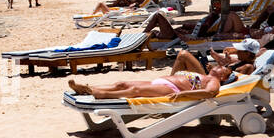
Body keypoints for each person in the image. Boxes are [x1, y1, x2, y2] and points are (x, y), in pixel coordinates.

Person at [68, 52, 234, 100]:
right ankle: (88, 88)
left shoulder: (213, 81)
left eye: (224, 69)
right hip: (161, 81)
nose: (221, 66)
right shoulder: (203, 74)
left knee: (134, 90)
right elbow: (183, 56)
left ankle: (97, 93)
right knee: (121, 83)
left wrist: (183, 94)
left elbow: (209, 93)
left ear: (224, 78)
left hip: (171, 88)